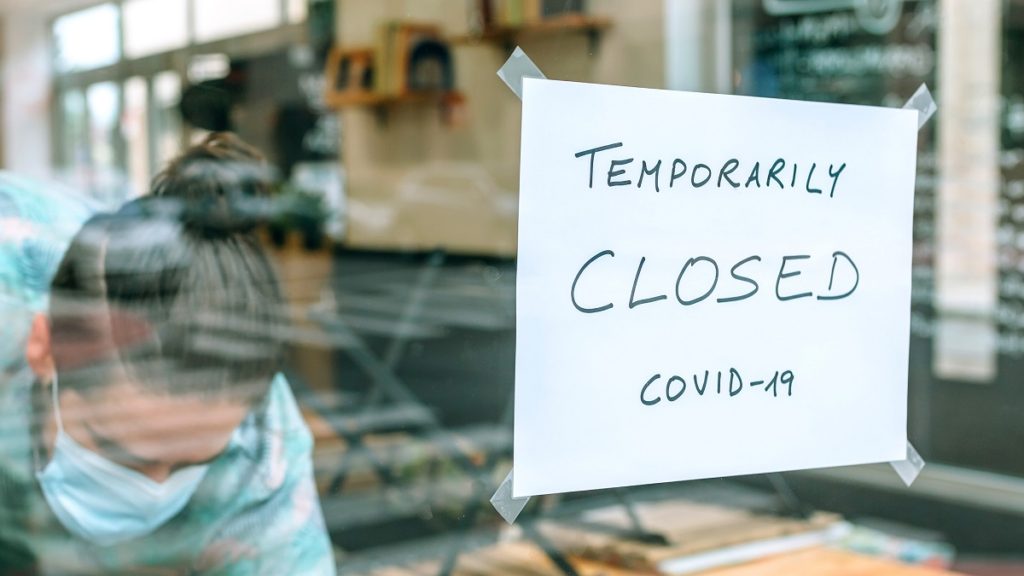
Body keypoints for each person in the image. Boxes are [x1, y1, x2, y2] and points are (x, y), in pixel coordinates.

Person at [2, 135, 335, 574]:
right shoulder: (11, 282)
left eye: (193, 464)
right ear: (44, 350)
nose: (153, 491)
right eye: (116, 449)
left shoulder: (260, 450)